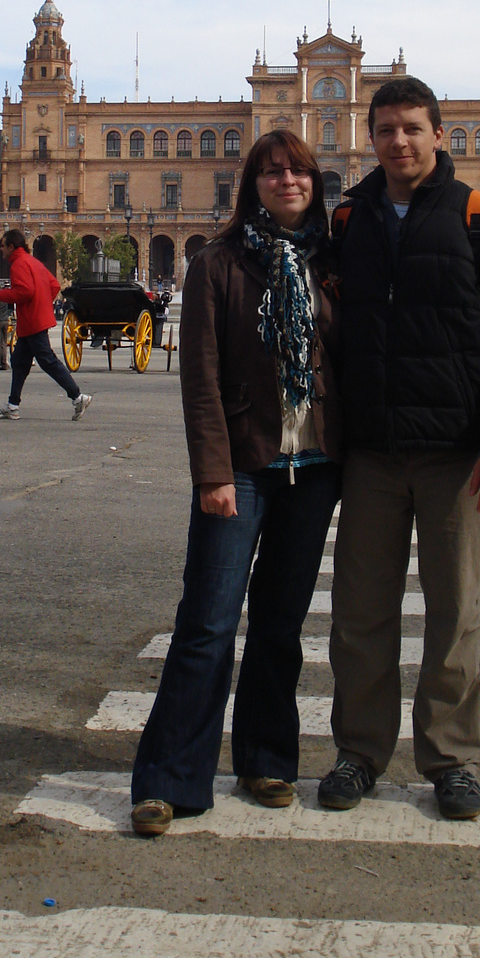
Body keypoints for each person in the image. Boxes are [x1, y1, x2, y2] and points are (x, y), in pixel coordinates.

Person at [319, 76, 480, 822]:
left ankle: (449, 757)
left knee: (455, 612)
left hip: (455, 454)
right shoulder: (348, 220)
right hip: (373, 454)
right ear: (369, 136)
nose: (399, 141)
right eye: (386, 129)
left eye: (413, 128)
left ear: (439, 135)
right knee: (360, 612)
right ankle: (360, 751)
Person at [130, 130, 342, 836]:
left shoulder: (333, 263)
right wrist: (212, 473)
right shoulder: (216, 265)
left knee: (280, 626)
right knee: (208, 621)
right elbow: (201, 382)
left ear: (316, 182)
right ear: (251, 183)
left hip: (312, 468)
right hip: (243, 468)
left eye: (299, 171)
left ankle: (266, 759)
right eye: (272, 171)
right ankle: (170, 778)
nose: (287, 181)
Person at [0, 230, 90, 421]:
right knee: (19, 362)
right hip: (34, 320)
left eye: (2, 245)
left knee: (47, 361)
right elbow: (54, 286)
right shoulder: (34, 262)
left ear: (12, 247)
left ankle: (77, 397)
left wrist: (1, 294)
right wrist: (42, 304)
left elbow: (25, 292)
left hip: (32, 321)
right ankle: (13, 405)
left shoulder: (18, 264)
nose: (0, 249)